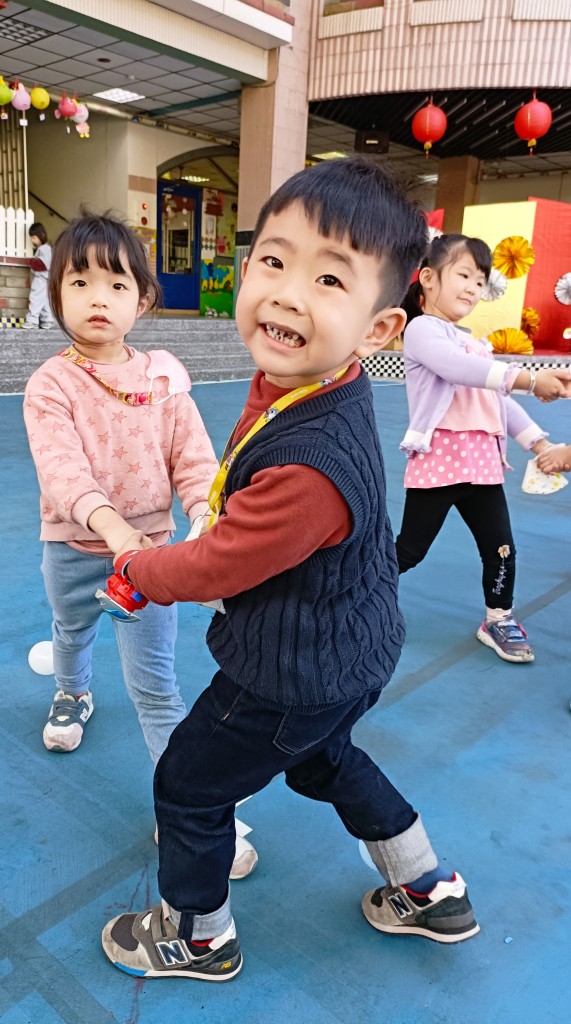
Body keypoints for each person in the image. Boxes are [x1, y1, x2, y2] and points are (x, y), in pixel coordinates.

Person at [102, 157, 489, 984]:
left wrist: (139, 565)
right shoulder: (317, 382)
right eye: (273, 261)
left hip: (286, 671)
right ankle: (427, 886)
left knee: (190, 784)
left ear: (378, 329)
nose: (286, 294)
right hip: (350, 651)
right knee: (322, 758)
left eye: (328, 279)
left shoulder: (310, 465)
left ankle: (197, 937)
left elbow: (215, 565)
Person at [23, 211, 257, 879]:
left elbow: (193, 458)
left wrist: (204, 515)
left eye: (116, 284)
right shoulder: (50, 384)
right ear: (56, 295)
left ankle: (188, 808)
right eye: (79, 282)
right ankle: (73, 693)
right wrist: (111, 528)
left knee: (156, 688)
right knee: (71, 631)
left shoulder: (164, 380)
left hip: (150, 559)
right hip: (74, 548)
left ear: (144, 299)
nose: (98, 298)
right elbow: (61, 469)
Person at [395, 233, 570, 665]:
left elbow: (498, 403)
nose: (474, 288)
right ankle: (349, 595)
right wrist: (531, 379)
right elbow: (459, 369)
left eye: (480, 281)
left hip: (483, 468)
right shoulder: (421, 330)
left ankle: (498, 619)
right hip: (439, 465)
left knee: (501, 548)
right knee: (409, 551)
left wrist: (540, 444)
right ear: (429, 278)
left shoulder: (473, 342)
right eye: (465, 276)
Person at [21, 222, 54, 329]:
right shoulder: (46, 248)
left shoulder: (44, 249)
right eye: (32, 238)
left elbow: (43, 264)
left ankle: (32, 321)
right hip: (45, 280)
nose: (32, 240)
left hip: (40, 279)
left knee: (35, 298)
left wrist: (31, 262)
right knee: (44, 301)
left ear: (41, 235)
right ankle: (47, 321)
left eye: (34, 237)